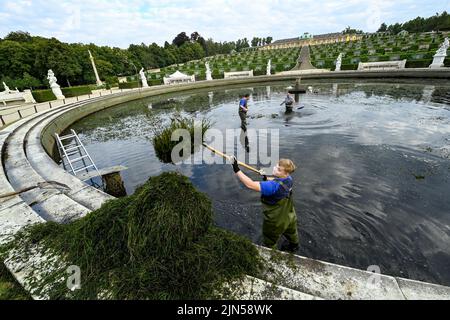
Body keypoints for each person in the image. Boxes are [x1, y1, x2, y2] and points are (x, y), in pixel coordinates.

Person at [231, 157, 299, 252]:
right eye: (276, 166)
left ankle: (271, 253)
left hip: (276, 221)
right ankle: (294, 246)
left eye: (278, 169)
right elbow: (277, 181)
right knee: (291, 232)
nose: (275, 168)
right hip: (290, 215)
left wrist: (236, 169)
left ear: (285, 173)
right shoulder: (289, 179)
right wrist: (265, 177)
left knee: (269, 239)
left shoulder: (272, 186)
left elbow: (250, 184)